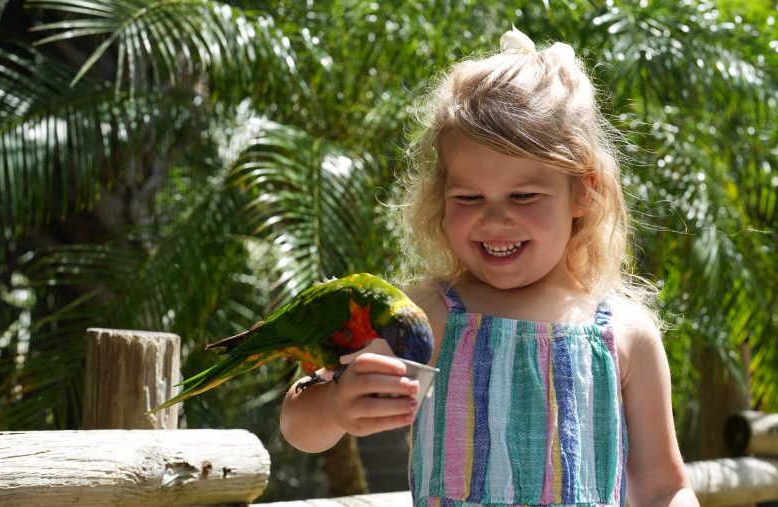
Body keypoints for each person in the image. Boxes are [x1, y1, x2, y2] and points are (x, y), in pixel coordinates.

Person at [280, 27, 698, 507]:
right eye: (468, 197)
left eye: (523, 195)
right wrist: (335, 406)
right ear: (441, 196)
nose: (495, 218)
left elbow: (666, 486)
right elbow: (301, 426)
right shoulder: (428, 316)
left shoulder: (626, 334)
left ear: (585, 190)